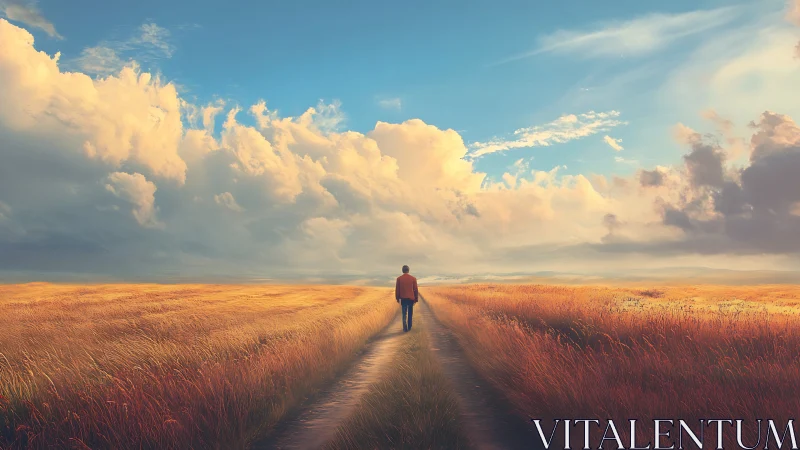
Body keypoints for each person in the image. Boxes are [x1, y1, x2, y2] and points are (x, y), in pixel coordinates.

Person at [395, 265, 419, 332]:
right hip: (411, 299)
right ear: (408, 270)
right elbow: (415, 289)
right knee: (410, 313)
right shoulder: (413, 278)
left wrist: (397, 298)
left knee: (404, 313)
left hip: (403, 299)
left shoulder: (399, 279)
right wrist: (416, 299)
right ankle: (409, 327)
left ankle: (405, 328)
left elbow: (397, 289)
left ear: (402, 270)